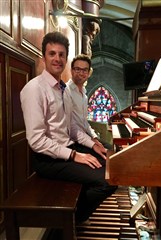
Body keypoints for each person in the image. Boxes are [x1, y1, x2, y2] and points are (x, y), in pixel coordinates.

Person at [20, 31, 117, 227]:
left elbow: (72, 127)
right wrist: (74, 156)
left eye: (61, 54)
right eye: (52, 53)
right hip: (48, 159)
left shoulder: (62, 89)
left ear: (66, 58)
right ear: (43, 57)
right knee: (108, 181)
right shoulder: (34, 89)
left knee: (112, 164)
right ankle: (72, 218)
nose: (57, 59)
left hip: (68, 148)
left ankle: (75, 210)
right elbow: (36, 140)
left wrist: (93, 144)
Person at [66, 54, 112, 149]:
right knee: (106, 158)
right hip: (74, 141)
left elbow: (84, 122)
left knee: (112, 149)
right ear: (71, 70)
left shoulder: (84, 94)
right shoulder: (66, 91)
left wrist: (94, 137)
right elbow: (70, 126)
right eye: (77, 69)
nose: (81, 73)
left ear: (88, 73)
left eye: (84, 70)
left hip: (86, 136)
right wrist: (93, 143)